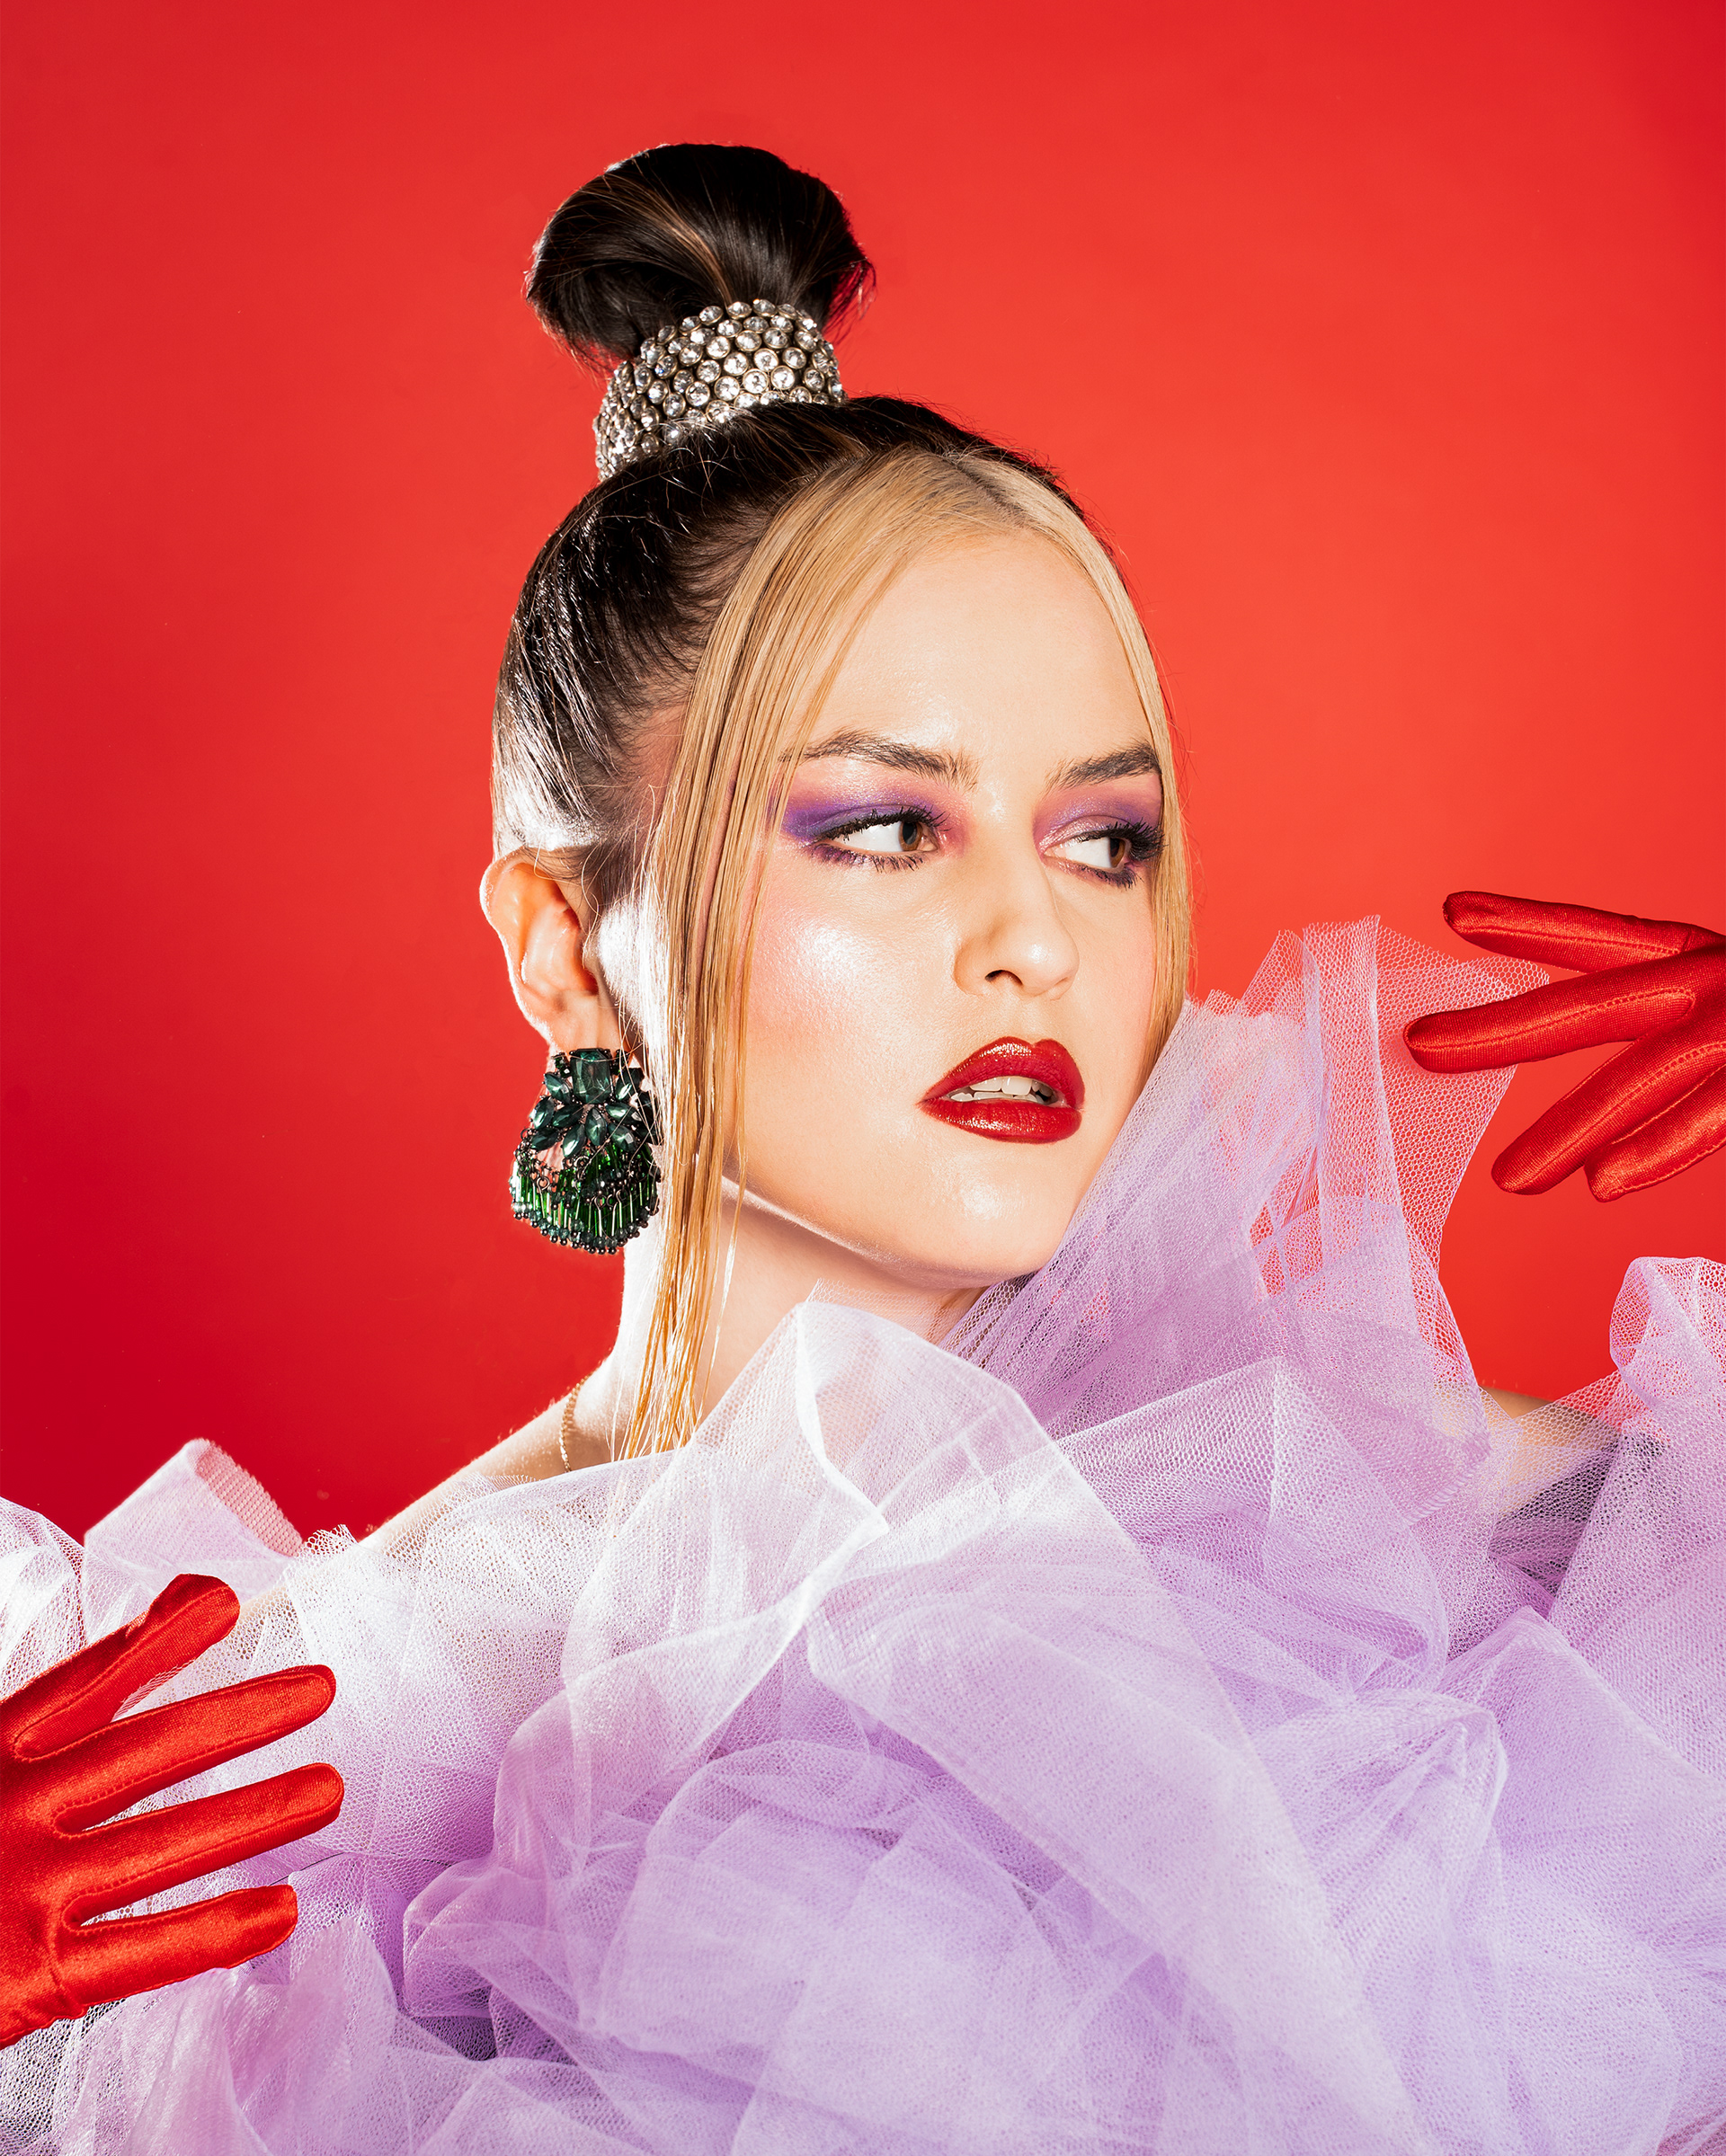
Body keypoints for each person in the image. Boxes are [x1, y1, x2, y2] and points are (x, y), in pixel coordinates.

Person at [2, 145, 1722, 2154]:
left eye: (1106, 840)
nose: (1036, 940)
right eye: (887, 828)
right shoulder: (318, 1748)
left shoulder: (1361, 1535)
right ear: (564, 949)